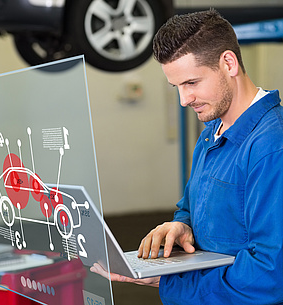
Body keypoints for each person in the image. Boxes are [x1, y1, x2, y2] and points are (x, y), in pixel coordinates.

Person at [91, 9, 283, 304]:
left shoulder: (272, 146)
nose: (183, 100)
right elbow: (191, 207)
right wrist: (181, 226)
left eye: (191, 83)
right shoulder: (211, 133)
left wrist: (173, 284)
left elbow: (271, 274)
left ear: (228, 63)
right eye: (176, 87)